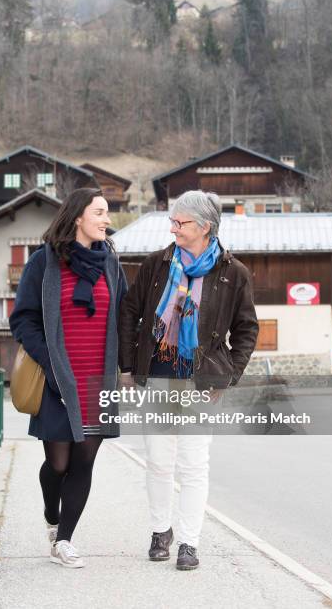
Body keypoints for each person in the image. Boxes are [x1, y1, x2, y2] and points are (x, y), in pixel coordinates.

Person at [118, 190, 258, 570]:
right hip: (160, 374)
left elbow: (246, 329)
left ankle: (189, 543)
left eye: (181, 223)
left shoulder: (233, 273)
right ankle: (161, 530)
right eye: (173, 221)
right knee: (160, 461)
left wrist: (229, 376)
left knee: (195, 463)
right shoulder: (157, 264)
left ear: (205, 227)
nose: (173, 228)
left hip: (202, 379)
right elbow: (130, 314)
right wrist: (128, 367)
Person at [9, 187, 127, 569]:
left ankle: (64, 540)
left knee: (84, 463)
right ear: (78, 217)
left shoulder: (111, 262)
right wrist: (49, 361)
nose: (107, 220)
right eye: (100, 212)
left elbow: (123, 317)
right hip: (56, 378)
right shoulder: (44, 263)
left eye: (107, 213)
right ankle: (51, 513)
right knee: (58, 463)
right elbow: (23, 319)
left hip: (98, 380)